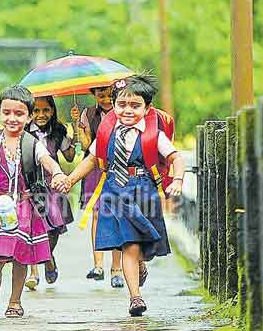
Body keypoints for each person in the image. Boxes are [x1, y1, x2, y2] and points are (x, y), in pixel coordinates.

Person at [56, 74, 185, 316]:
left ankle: (140, 264)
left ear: (147, 108)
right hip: (114, 189)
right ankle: (135, 297)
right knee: (129, 243)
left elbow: (175, 157)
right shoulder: (107, 132)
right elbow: (92, 159)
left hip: (142, 189)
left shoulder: (152, 133)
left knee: (139, 243)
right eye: (122, 104)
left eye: (135, 106)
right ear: (114, 105)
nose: (127, 111)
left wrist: (177, 179)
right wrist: (71, 179)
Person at [0, 85, 67, 318]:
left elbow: (48, 161)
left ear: (28, 117)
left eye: (19, 114)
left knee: (21, 253)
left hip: (24, 206)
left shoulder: (31, 144)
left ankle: (15, 301)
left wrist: (57, 173)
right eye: (6, 112)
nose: (12, 118)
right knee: (0, 251)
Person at [70, 85, 126, 288]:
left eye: (110, 95)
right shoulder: (89, 114)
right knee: (96, 214)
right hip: (94, 167)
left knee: (117, 214)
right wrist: (77, 123)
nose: (106, 99)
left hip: (118, 167)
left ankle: (117, 268)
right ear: (93, 95)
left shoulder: (123, 112)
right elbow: (86, 145)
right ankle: (98, 264)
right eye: (101, 95)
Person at [24, 95, 75, 290]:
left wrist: (73, 135)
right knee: (31, 227)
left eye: (46, 110)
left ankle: (47, 255)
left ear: (52, 111)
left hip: (53, 185)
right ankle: (34, 272)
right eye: (36, 111)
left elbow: (69, 157)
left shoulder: (58, 131)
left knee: (54, 227)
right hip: (32, 185)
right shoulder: (24, 132)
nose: (41, 115)